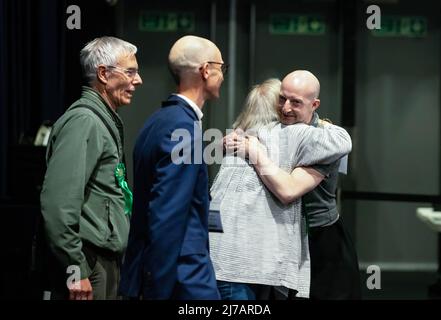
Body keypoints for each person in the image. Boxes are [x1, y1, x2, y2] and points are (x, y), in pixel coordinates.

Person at [209, 77, 352, 299]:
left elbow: (288, 190)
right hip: (284, 237)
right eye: (282, 100)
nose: (286, 108)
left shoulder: (319, 138)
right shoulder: (267, 137)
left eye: (295, 102)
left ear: (314, 105)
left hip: (320, 238)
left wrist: (254, 151)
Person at [119, 35, 226, 300]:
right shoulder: (183, 128)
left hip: (160, 272)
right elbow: (167, 214)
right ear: (205, 70)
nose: (223, 76)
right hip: (182, 278)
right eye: (221, 68)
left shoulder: (157, 121)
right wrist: (157, 289)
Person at [40, 36, 143, 300]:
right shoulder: (84, 121)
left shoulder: (100, 119)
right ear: (103, 74)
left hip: (100, 261)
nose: (138, 80)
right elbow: (58, 203)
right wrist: (76, 268)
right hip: (88, 263)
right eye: (130, 72)